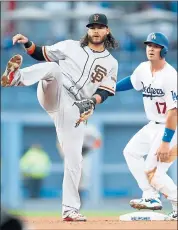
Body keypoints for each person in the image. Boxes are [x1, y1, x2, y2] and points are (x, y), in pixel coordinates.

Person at [1, 13, 118, 221]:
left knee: (74, 159)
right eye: (92, 27)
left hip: (76, 106)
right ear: (87, 30)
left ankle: (70, 210)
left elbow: (105, 91)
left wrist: (92, 102)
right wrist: (27, 42)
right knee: (53, 67)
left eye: (100, 27)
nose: (96, 30)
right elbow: (40, 54)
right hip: (54, 91)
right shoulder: (70, 46)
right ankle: (16, 78)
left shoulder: (111, 62)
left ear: (107, 30)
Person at [116, 32, 177, 220]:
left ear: (164, 50)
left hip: (171, 126)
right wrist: (111, 88)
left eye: (156, 46)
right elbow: (131, 82)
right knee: (131, 152)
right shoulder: (143, 68)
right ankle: (150, 197)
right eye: (149, 45)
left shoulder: (171, 76)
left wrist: (166, 142)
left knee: (155, 173)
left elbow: (174, 112)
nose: (151, 48)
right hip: (153, 124)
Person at [57, 124, 102, 206]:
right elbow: (60, 142)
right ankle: (69, 202)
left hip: (84, 156)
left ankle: (78, 201)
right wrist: (64, 154)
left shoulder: (90, 129)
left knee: (82, 180)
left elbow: (98, 141)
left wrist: (91, 148)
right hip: (71, 156)